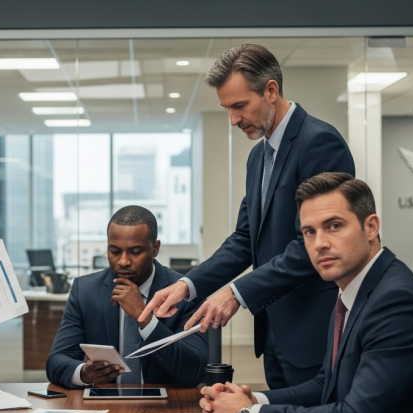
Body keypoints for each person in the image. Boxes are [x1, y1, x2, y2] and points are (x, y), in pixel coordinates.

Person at [199, 173, 413, 413]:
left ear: (371, 227)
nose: (319, 244)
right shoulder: (351, 291)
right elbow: (325, 384)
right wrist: (252, 400)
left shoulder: (399, 303)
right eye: (309, 232)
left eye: (334, 226)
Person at [141, 44, 355, 389]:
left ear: (271, 90)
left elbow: (316, 245)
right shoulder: (258, 158)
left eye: (240, 106)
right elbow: (244, 240)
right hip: (274, 331)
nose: (233, 120)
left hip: (313, 331)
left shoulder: (319, 143)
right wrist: (186, 285)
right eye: (227, 108)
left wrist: (237, 293)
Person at [47, 206, 208, 388]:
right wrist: (84, 373)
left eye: (135, 252)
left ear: (155, 248)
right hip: (106, 405)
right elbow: (55, 362)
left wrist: (145, 318)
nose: (123, 261)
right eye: (114, 251)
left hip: (165, 406)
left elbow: (195, 371)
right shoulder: (85, 291)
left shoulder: (184, 292)